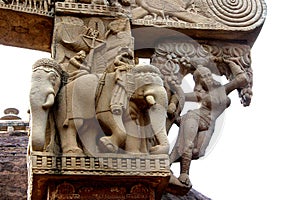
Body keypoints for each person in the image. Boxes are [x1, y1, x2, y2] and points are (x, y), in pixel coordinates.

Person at [169, 58, 249, 187]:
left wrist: (229, 62)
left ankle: (168, 160)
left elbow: (242, 79)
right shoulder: (200, 95)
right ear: (200, 82)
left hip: (209, 124)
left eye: (208, 75)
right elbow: (180, 95)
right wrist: (173, 104)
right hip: (194, 117)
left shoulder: (223, 89)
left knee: (197, 152)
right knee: (187, 144)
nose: (207, 78)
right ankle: (184, 174)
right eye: (203, 77)